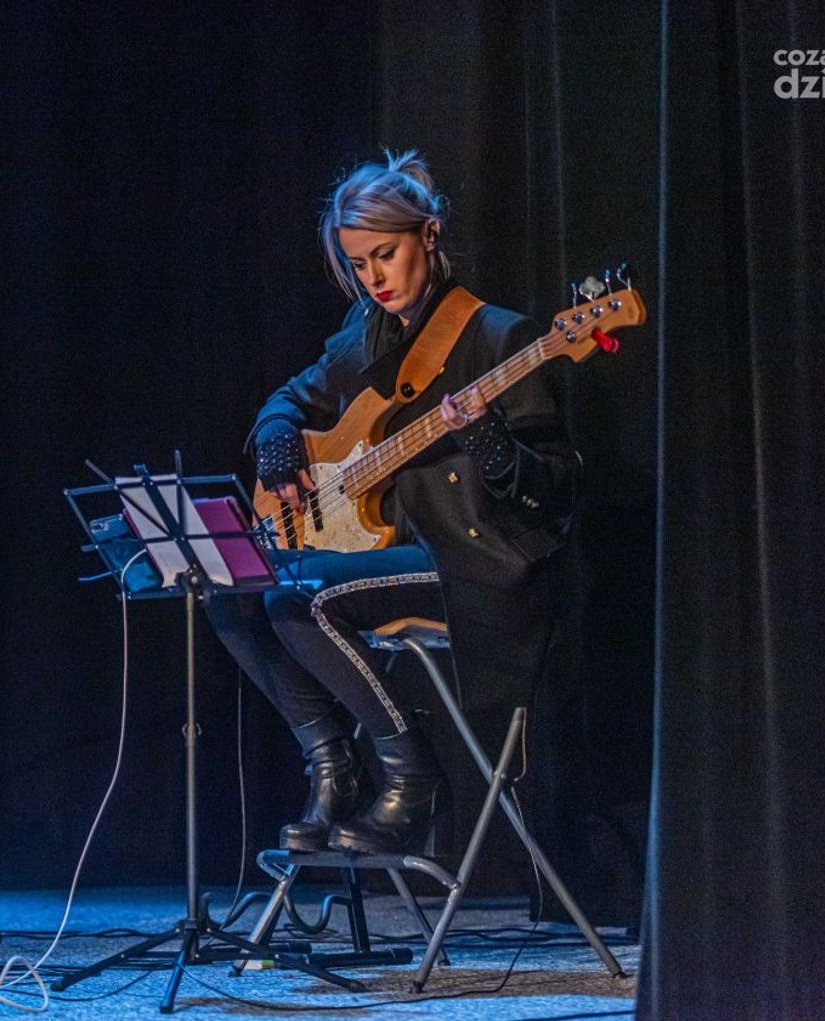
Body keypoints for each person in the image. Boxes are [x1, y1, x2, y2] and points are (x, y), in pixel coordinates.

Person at [206, 152, 578, 856]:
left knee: (302, 596)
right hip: (385, 552)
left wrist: (488, 441)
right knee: (231, 591)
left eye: (385, 255)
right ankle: (333, 766)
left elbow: (553, 490)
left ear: (428, 236)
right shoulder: (365, 332)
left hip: (471, 562)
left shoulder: (499, 336)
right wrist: (280, 441)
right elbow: (288, 398)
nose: (373, 278)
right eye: (358, 264)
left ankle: (413, 778)